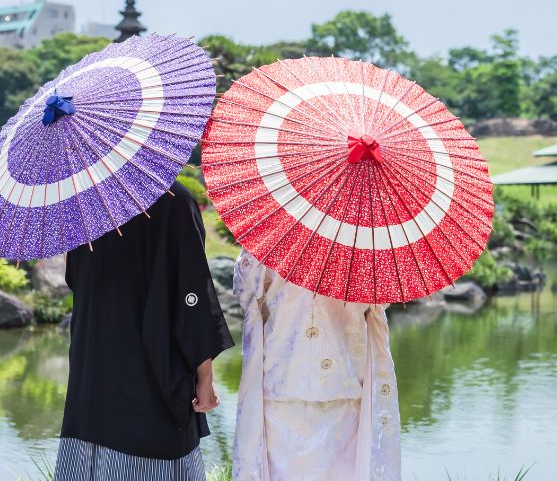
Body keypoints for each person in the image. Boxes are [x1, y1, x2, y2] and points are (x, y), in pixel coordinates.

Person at [55, 181, 235, 481]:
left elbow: (76, 279)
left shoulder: (84, 200)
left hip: (91, 379)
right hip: (151, 375)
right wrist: (205, 378)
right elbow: (191, 297)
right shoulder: (173, 200)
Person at [232, 249, 401, 481]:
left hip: (284, 373)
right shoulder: (365, 242)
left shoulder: (278, 235)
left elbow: (245, 291)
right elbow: (381, 301)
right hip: (343, 377)